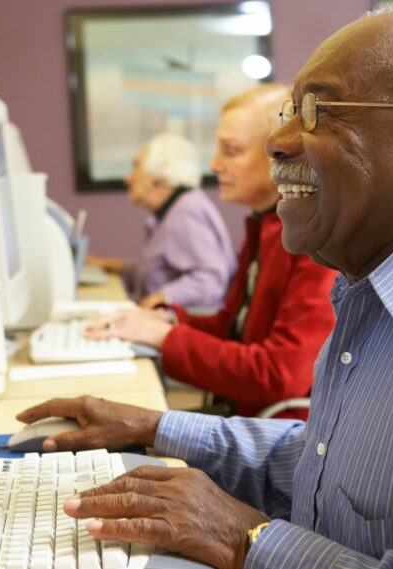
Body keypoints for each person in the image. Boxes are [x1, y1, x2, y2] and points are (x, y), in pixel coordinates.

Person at [17, 6, 393, 568]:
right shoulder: (371, 286)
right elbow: (325, 463)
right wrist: (155, 426)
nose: (277, 140)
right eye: (288, 112)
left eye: (317, 112)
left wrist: (246, 538)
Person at [86, 84, 338, 419]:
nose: (214, 164)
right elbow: (234, 326)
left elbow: (280, 373)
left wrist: (165, 337)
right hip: (245, 417)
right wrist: (169, 319)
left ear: (282, 152)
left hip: (277, 435)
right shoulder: (263, 227)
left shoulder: (314, 243)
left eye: (230, 151)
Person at [88, 132, 236, 310]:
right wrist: (108, 264)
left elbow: (211, 280)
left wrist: (162, 297)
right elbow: (157, 270)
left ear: (159, 176)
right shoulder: (172, 211)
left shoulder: (187, 212)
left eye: (136, 167)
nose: (128, 178)